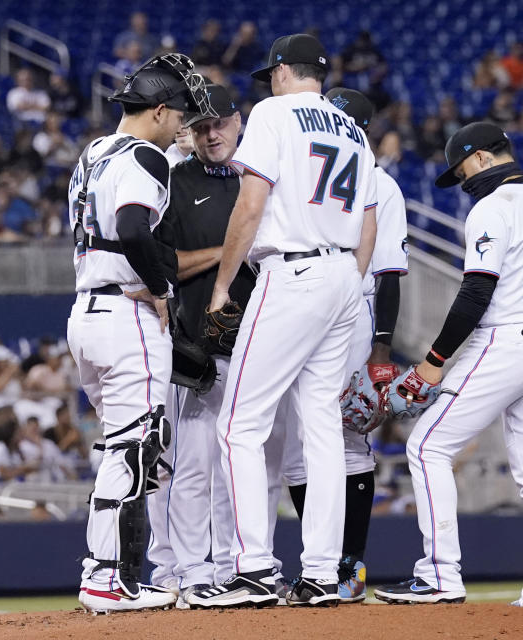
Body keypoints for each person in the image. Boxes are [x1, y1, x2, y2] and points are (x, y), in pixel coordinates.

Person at [373, 122, 523, 613]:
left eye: (462, 169)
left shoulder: (492, 208)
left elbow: (475, 293)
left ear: (484, 158)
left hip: (509, 340)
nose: (462, 180)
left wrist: (433, 362)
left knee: (426, 446)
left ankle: (440, 576)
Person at [186, 33, 378, 609]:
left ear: (281, 73)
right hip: (345, 272)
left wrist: (222, 285)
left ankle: (254, 569)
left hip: (292, 272)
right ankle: (322, 572)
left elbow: (252, 203)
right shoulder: (355, 130)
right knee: (321, 430)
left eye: (270, 73)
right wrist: (346, 286)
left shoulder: (273, 112)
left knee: (240, 424)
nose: (268, 82)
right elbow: (367, 222)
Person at [66, 53, 210, 613]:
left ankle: (114, 574)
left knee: (125, 450)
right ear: (157, 110)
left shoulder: (92, 153)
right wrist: (162, 287)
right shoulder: (145, 155)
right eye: (178, 114)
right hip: (125, 315)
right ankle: (105, 578)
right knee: (133, 450)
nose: (183, 125)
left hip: (86, 312)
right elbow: (131, 227)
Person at [277, 88, 408, 604]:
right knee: (295, 446)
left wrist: (381, 350)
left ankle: (347, 565)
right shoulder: (306, 170)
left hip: (354, 311)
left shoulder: (380, 182)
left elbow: (391, 272)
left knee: (345, 438)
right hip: (307, 302)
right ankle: (322, 563)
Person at [143, 82, 250, 605]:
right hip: (200, 346)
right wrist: (231, 251)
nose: (212, 134)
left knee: (241, 468)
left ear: (238, 122)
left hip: (259, 344)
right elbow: (165, 264)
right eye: (201, 125)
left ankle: (235, 565)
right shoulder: (175, 181)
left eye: (220, 123)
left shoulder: (259, 177)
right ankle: (189, 570)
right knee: (191, 465)